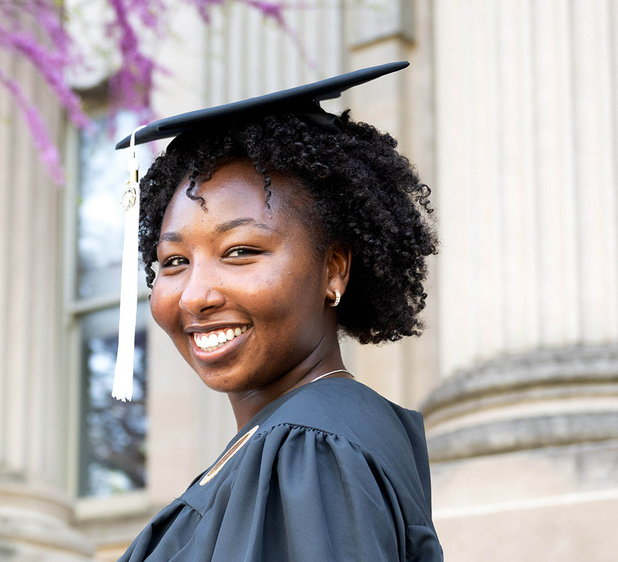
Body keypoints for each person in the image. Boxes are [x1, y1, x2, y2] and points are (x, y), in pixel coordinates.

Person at [114, 62, 444, 561]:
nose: (195, 295)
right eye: (175, 261)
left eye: (241, 251)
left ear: (333, 268)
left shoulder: (311, 450)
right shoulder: (297, 437)